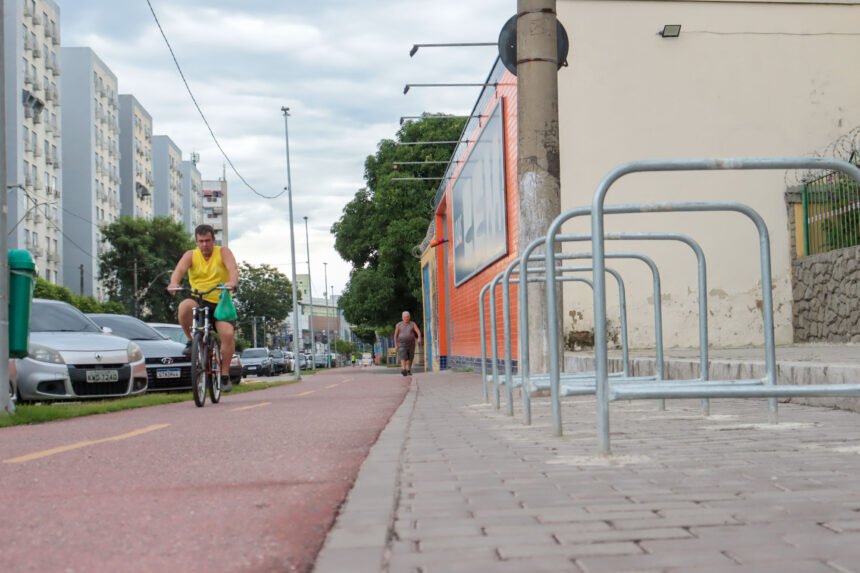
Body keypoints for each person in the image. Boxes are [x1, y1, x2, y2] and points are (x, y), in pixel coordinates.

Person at [168, 224, 239, 391]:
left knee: (227, 334)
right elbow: (179, 270)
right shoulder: (191, 255)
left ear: (214, 240)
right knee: (184, 306)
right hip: (198, 298)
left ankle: (225, 374)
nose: (204, 245)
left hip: (220, 301)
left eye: (208, 241)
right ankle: (192, 341)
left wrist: (232, 282)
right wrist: (174, 283)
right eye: (201, 241)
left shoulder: (223, 252)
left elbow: (233, 269)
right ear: (196, 242)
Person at [394, 311, 422, 377]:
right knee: (403, 356)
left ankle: (408, 369)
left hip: (411, 343)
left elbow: (418, 331)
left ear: (409, 317)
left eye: (407, 317)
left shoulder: (412, 324)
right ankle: (404, 369)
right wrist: (396, 344)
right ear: (402, 317)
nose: (406, 318)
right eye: (405, 317)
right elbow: (395, 336)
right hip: (401, 343)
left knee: (410, 357)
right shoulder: (398, 325)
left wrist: (419, 337)